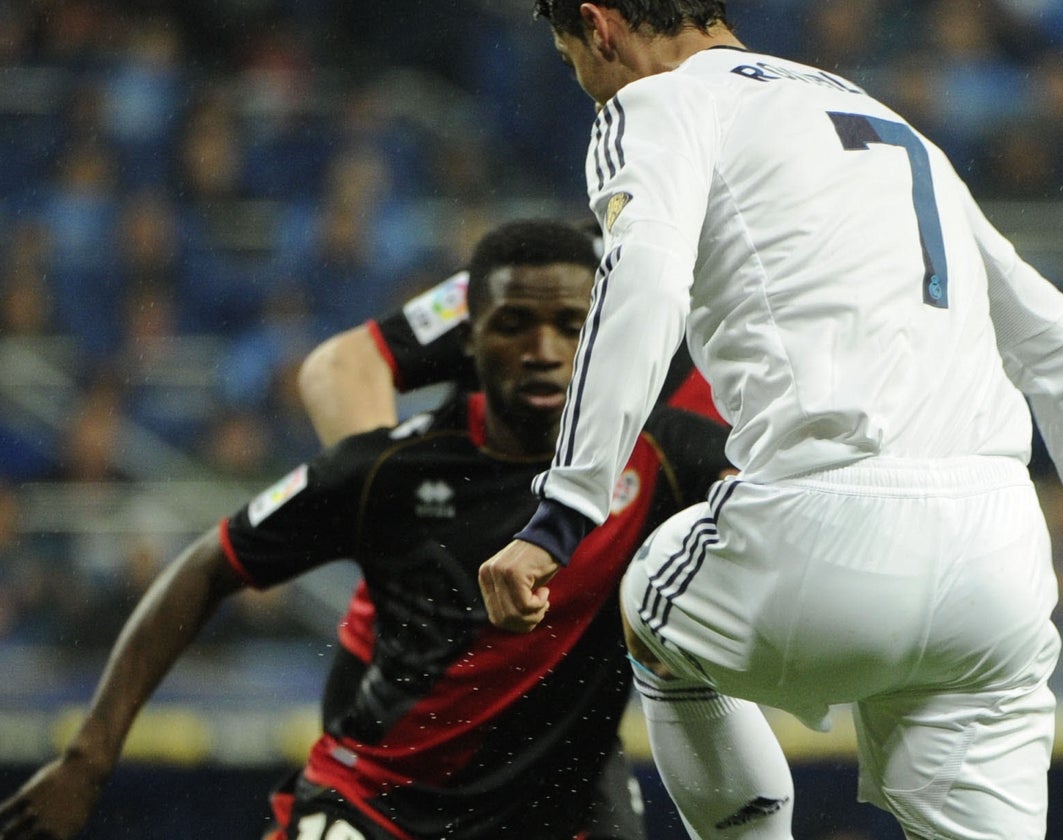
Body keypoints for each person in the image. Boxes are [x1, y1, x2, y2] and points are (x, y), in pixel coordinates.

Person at [477, 4, 1063, 839]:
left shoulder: (658, 102)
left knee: (651, 601)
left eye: (570, 59)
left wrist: (564, 514)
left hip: (824, 526)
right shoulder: (887, 122)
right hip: (998, 563)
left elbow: (644, 285)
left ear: (599, 26)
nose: (586, 83)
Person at [0, 219, 736, 840]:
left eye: (570, 328)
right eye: (514, 325)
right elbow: (210, 560)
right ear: (468, 340)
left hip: (558, 781)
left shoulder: (670, 450)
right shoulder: (392, 467)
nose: (544, 348)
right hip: (374, 803)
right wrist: (89, 758)